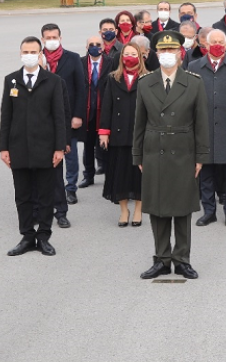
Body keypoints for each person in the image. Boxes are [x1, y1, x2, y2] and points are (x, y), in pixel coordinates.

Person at [134, 31, 211, 280]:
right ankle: (161, 259)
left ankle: (182, 259)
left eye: (172, 51)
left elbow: (201, 122)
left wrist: (201, 156)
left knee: (182, 208)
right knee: (157, 208)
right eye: (163, 51)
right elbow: (139, 123)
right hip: (154, 151)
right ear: (156, 54)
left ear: (181, 54)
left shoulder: (194, 82)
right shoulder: (145, 83)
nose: (168, 55)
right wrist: (138, 156)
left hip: (183, 150)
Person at [0, 37, 66, 257]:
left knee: (46, 195)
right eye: (25, 51)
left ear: (40, 55)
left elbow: (59, 117)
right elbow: (5, 117)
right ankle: (27, 235)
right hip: (19, 148)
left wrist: (59, 148)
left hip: (46, 148)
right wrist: (3, 148)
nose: (29, 55)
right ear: (20, 53)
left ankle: (44, 236)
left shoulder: (53, 81)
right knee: (23, 196)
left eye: (33, 52)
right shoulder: (11, 80)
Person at [188, 29, 226, 227]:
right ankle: (209, 212)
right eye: (213, 42)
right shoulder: (194, 66)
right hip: (203, 130)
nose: (217, 45)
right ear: (205, 45)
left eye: (220, 42)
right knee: (205, 175)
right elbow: (189, 101)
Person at [40, 23, 84, 224]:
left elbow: (81, 89)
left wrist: (77, 115)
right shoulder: (37, 59)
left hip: (68, 116)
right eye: (47, 37)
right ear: (42, 39)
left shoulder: (73, 58)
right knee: (50, 163)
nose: (51, 40)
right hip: (45, 121)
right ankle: (50, 203)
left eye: (54, 37)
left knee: (71, 154)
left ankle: (71, 188)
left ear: (60, 37)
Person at [99, 41, 147, 227]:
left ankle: (138, 210)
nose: (130, 58)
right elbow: (107, 107)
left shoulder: (148, 77)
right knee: (119, 175)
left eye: (134, 54)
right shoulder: (113, 78)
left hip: (140, 134)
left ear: (140, 57)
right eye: (126, 54)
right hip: (118, 134)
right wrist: (104, 132)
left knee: (139, 175)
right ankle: (124, 210)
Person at [81, 35, 113, 189]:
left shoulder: (111, 63)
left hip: (104, 110)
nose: (94, 47)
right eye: (91, 44)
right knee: (87, 146)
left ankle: (109, 176)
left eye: (98, 44)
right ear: (86, 47)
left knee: (105, 146)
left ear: (103, 46)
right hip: (87, 112)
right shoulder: (79, 63)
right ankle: (88, 175)